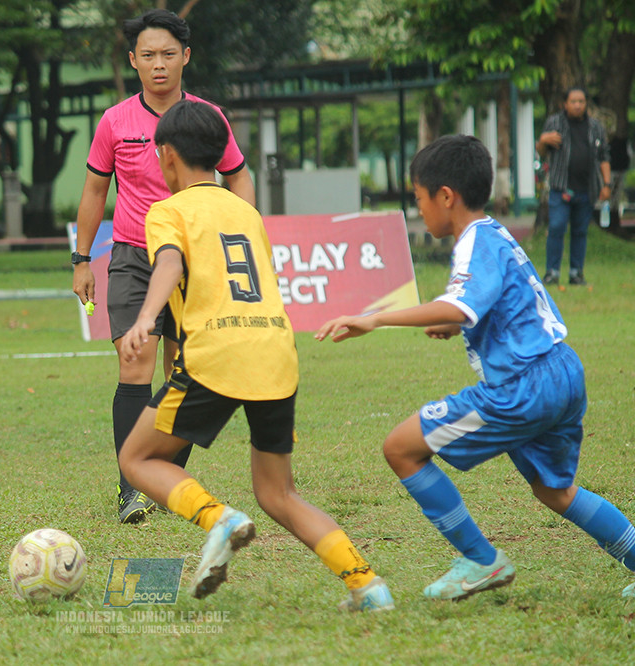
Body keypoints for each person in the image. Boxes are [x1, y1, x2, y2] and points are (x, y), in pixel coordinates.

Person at [316, 134, 635, 602]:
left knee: (401, 449)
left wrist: (376, 317)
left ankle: (482, 560)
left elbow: (458, 305)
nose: (419, 210)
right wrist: (460, 325)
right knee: (556, 491)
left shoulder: (473, 242)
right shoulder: (495, 233)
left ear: (445, 196)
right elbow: (504, 301)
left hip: (522, 387)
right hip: (562, 371)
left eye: (419, 199)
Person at [118, 100, 394, 611]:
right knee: (278, 493)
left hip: (218, 352)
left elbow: (170, 263)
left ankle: (216, 518)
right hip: (275, 354)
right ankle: (367, 585)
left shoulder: (167, 211)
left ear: (167, 157)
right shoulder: (246, 211)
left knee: (136, 458)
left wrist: (145, 316)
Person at [71, 8, 256, 524]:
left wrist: (236, 231)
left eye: (168, 55)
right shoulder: (114, 121)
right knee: (136, 362)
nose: (159, 65)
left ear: (186, 57)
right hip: (132, 255)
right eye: (148, 55)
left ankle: (163, 479)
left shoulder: (207, 118)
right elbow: (93, 190)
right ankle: (132, 487)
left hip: (197, 259)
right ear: (133, 61)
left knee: (186, 370)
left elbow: (239, 178)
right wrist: (82, 259)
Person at [535, 87, 611, 286]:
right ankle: (552, 272)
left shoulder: (596, 127)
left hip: (587, 188)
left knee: (580, 231)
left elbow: (604, 156)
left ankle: (576, 273)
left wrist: (607, 184)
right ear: (565, 104)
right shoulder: (555, 123)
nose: (578, 105)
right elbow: (542, 153)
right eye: (573, 101)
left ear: (586, 104)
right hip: (561, 188)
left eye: (581, 101)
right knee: (557, 227)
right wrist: (542, 140)